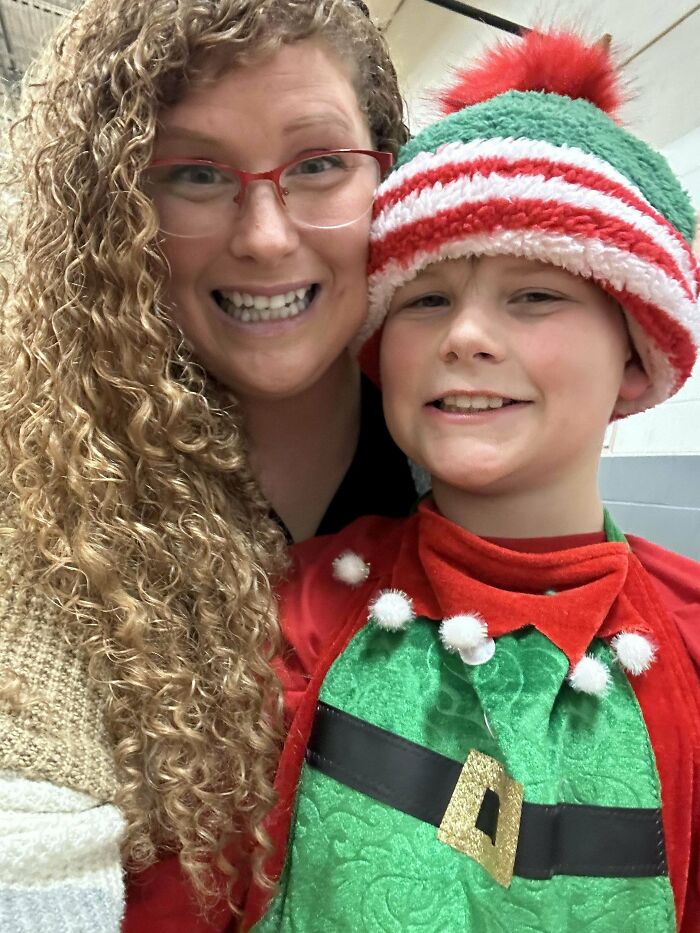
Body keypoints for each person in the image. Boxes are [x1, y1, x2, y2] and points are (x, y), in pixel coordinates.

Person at [242, 29, 700, 933]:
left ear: (636, 355)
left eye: (535, 295)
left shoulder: (689, 643)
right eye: (426, 299)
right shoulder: (292, 612)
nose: (466, 338)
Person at [0, 0, 412, 929]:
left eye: (317, 164)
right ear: (114, 218)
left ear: (389, 175)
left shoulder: (462, 457)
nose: (265, 235)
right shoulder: (39, 515)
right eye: (194, 173)